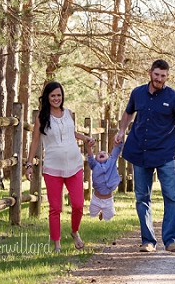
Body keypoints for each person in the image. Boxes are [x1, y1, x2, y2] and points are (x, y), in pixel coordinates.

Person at [114, 59, 175, 254]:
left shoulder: (174, 98)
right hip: (140, 152)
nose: (159, 79)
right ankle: (148, 241)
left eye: (163, 76)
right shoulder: (137, 93)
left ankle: (171, 240)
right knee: (142, 197)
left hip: (165, 153)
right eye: (156, 74)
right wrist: (121, 130)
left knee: (171, 196)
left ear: (167, 77)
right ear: (150, 73)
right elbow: (128, 113)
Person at [25, 81, 93, 252]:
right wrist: (28, 164)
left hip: (75, 165)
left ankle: (75, 232)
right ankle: (57, 244)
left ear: (62, 97)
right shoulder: (41, 117)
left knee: (78, 204)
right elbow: (35, 142)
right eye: (53, 95)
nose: (56, 98)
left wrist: (85, 138)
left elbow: (71, 133)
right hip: (53, 168)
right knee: (55, 208)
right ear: (47, 98)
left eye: (59, 95)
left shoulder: (68, 113)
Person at [86, 138, 123, 221]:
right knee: (92, 213)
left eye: (104, 153)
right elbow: (90, 157)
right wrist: (89, 148)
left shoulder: (111, 161)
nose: (101, 153)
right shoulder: (94, 165)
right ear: (96, 159)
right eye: (99, 153)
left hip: (108, 199)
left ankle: (103, 213)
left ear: (108, 156)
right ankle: (99, 212)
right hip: (96, 198)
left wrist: (118, 143)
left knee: (109, 216)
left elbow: (115, 152)